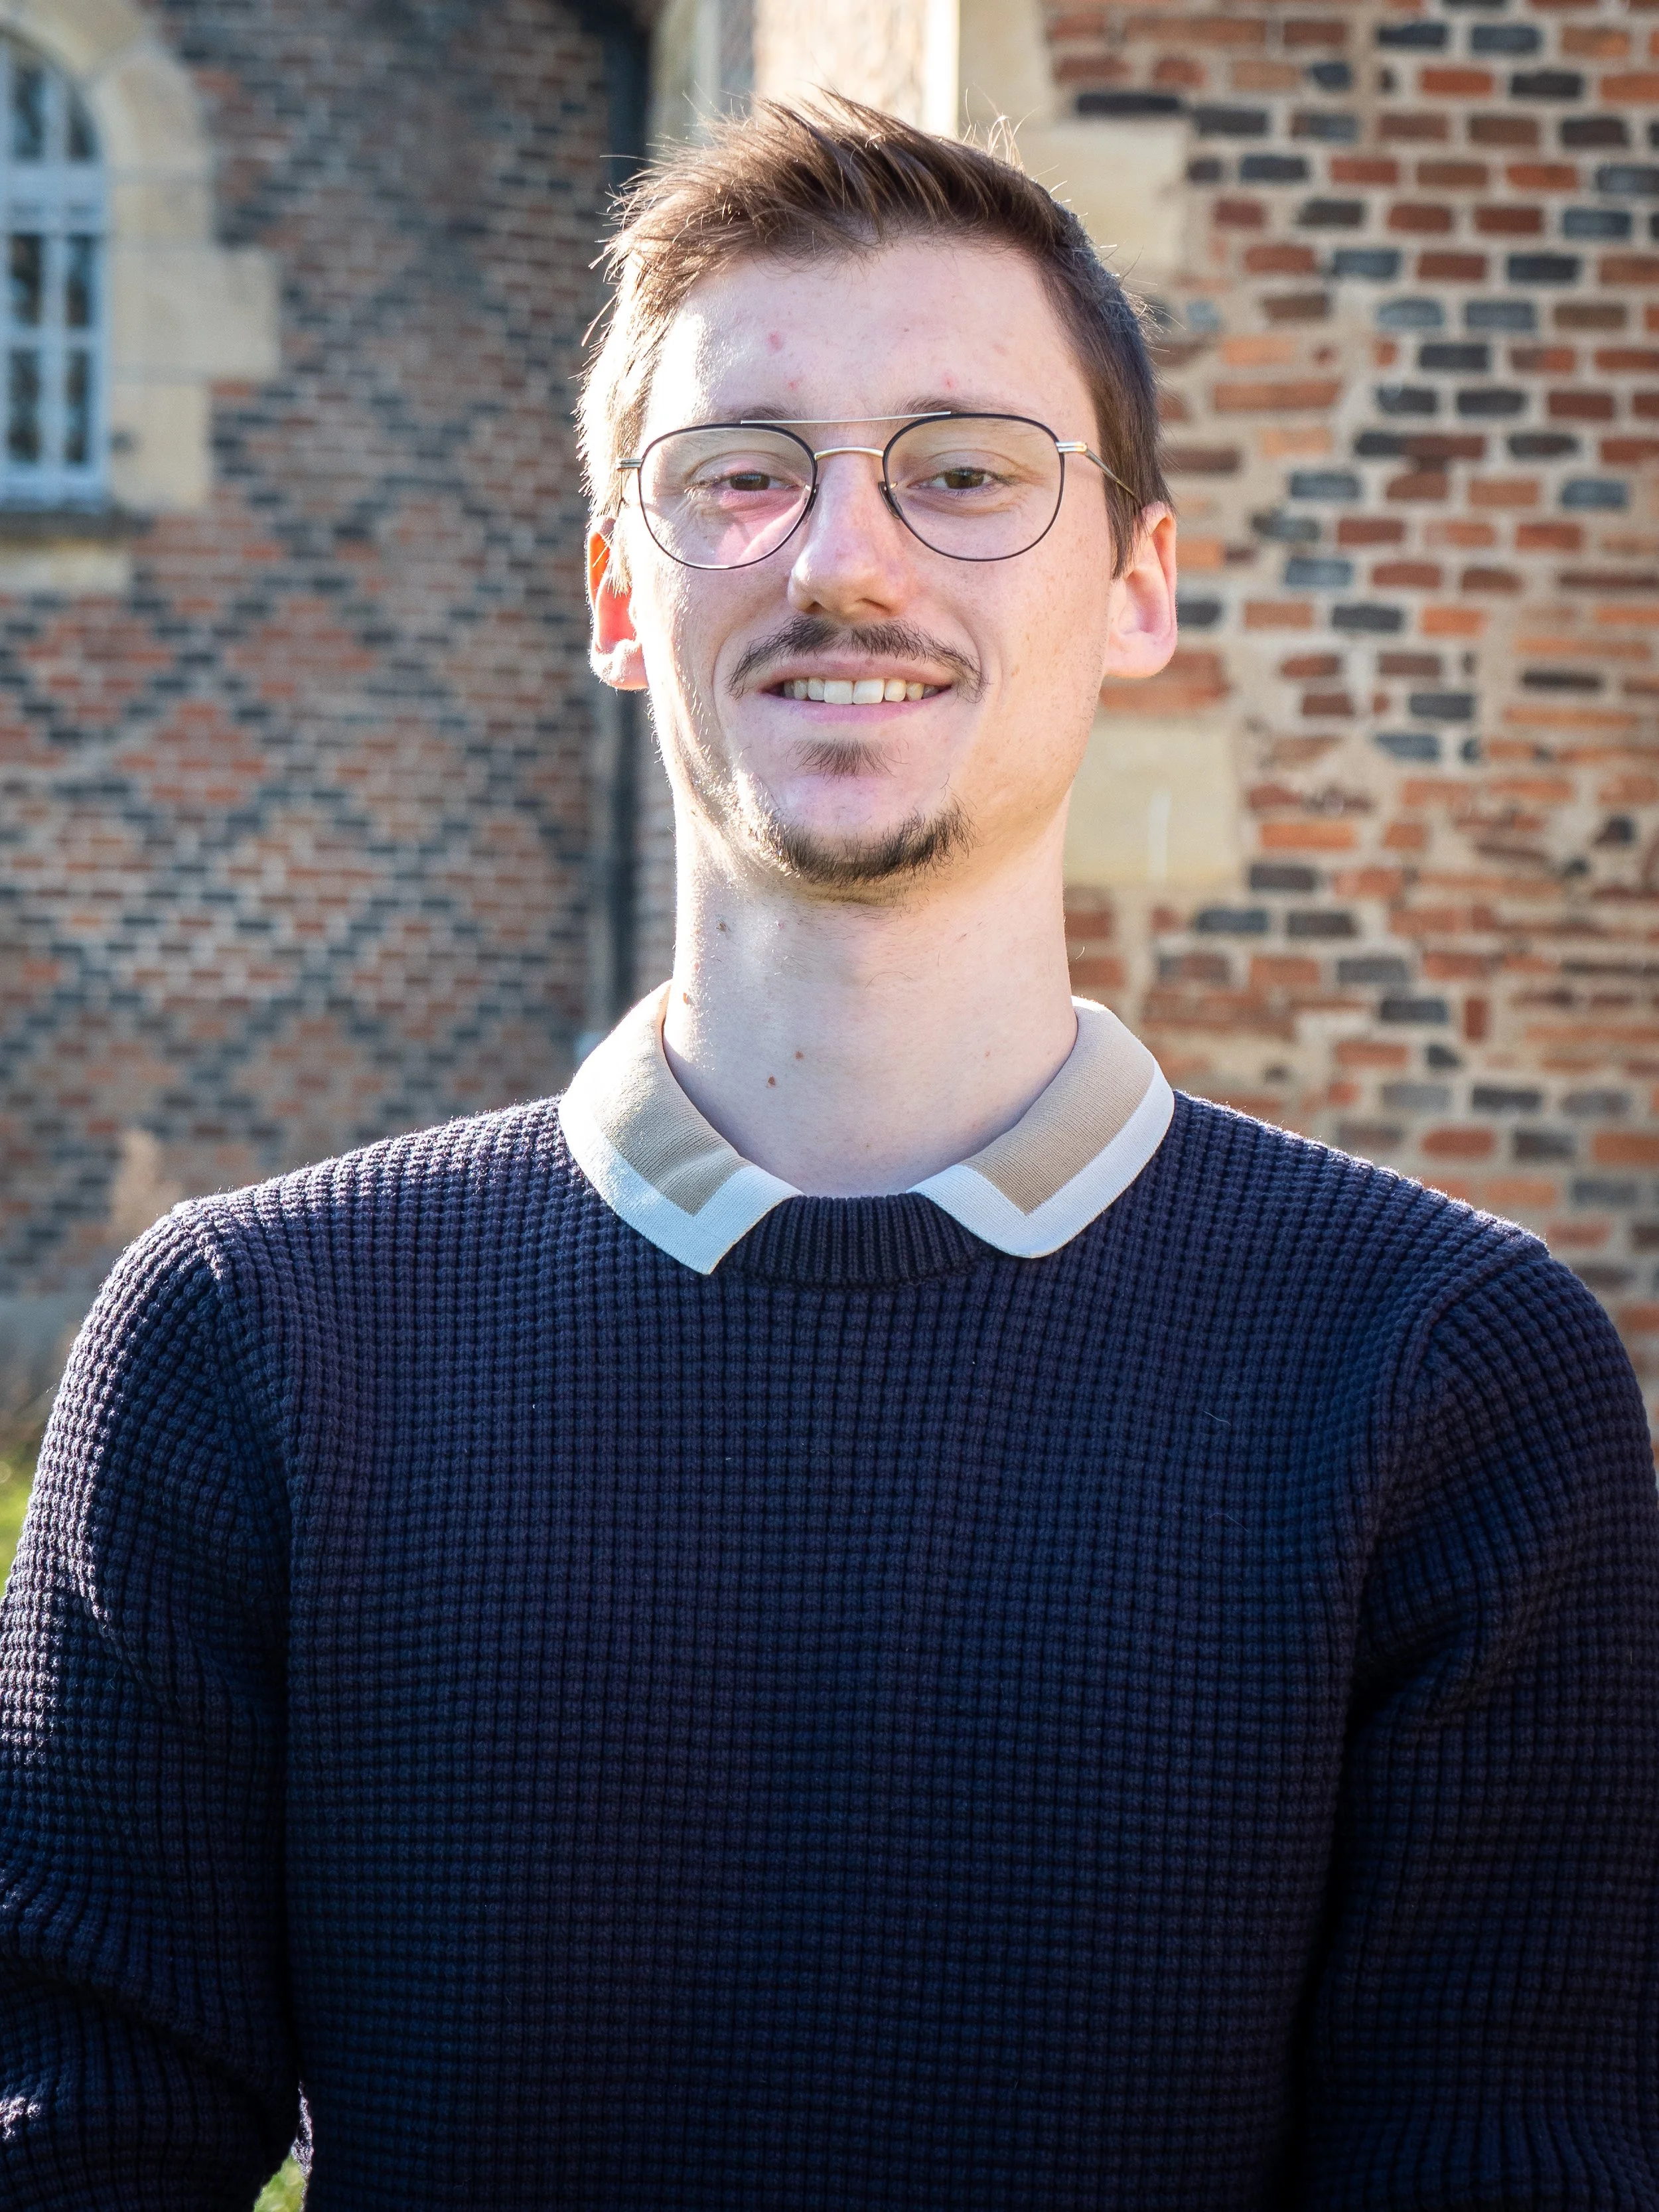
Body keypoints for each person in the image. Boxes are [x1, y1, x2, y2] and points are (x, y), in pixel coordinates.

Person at [2, 95, 1656, 2211]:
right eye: (738, 476)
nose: (842, 556)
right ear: (619, 590)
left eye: (964, 472)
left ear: (1139, 586)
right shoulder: (255, 1346)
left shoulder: (1443, 1384)